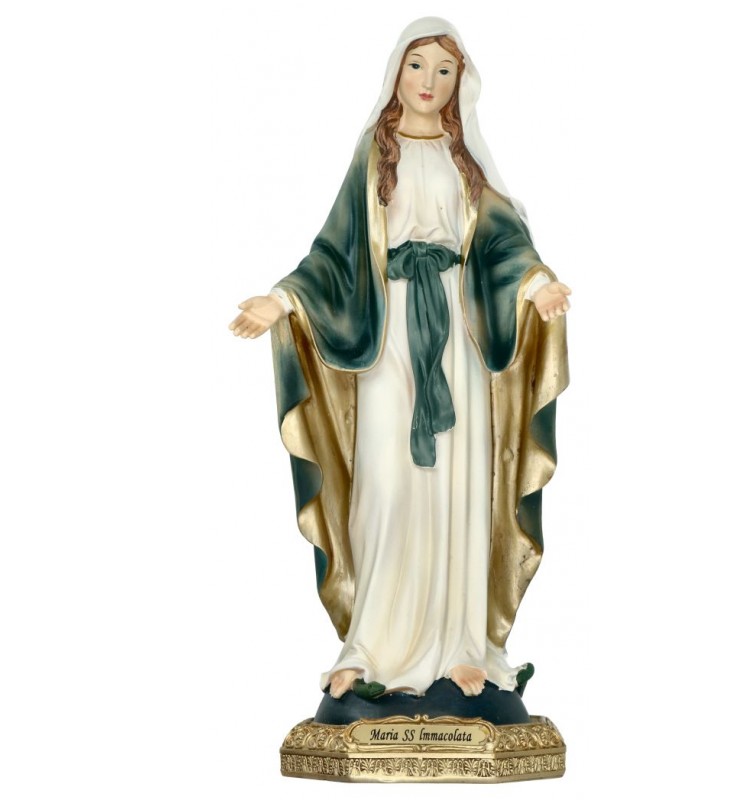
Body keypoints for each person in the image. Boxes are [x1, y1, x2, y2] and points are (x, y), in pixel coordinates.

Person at [229, 17, 570, 702]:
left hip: (458, 342)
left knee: (457, 486)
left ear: (461, 81)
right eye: (418, 65)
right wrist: (283, 299)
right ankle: (371, 645)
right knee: (385, 485)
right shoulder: (373, 153)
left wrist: (537, 284)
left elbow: (503, 243)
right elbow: (335, 251)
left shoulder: (464, 159)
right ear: (396, 71)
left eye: (445, 69)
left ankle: (462, 644)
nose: (429, 81)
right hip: (390, 340)